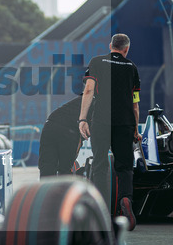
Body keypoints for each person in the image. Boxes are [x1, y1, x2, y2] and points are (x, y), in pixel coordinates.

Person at [78, 34, 141, 230]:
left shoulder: (97, 62)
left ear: (110, 46)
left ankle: (102, 210)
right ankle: (125, 199)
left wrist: (82, 119)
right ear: (126, 49)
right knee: (125, 167)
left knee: (100, 164)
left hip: (101, 121)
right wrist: (135, 128)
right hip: (125, 123)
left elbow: (89, 90)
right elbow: (135, 104)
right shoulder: (132, 68)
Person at [38, 95, 85, 178]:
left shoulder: (80, 101)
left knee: (47, 168)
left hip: (50, 124)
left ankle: (46, 189)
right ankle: (63, 189)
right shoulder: (98, 105)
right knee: (65, 170)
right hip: (69, 130)